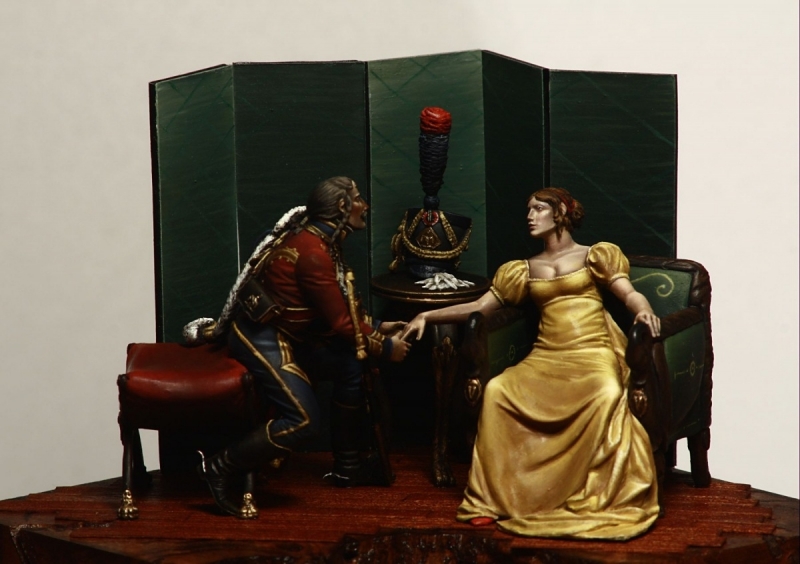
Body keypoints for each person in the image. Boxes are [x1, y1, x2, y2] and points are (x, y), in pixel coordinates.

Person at [402, 187, 660, 539]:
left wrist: (644, 310)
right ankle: (491, 499)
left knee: (607, 392)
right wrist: (427, 315)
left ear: (560, 213)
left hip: (591, 353)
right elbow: (478, 308)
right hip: (546, 356)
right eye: (529, 209)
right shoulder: (522, 269)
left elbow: (628, 293)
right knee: (497, 390)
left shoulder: (594, 255)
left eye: (538, 208)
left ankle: (581, 493)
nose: (530, 216)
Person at [187, 176, 411, 517]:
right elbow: (341, 323)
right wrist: (386, 347)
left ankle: (348, 468)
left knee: (350, 365)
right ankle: (218, 467)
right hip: (263, 336)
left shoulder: (318, 239)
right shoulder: (314, 253)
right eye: (358, 199)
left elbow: (336, 309)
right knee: (304, 421)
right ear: (341, 207)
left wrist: (377, 327)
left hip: (293, 335)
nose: (364, 205)